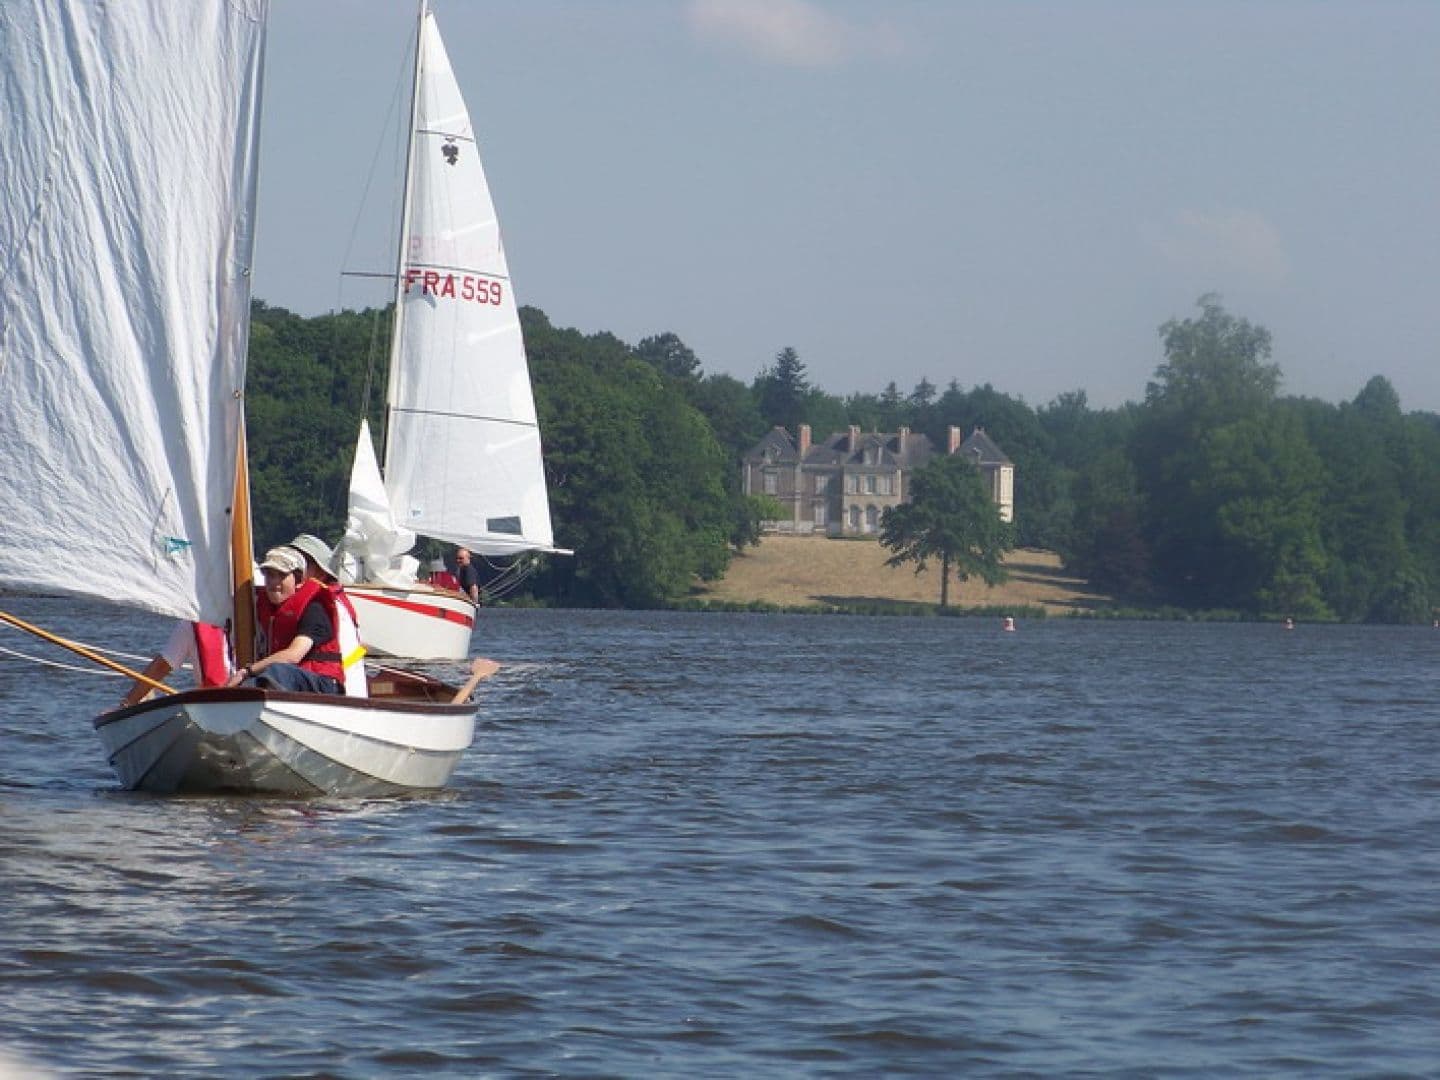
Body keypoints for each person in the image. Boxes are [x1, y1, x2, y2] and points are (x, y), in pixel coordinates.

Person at [227, 546, 344, 695]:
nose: (274, 582)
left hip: (322, 684)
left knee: (276, 670)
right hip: (285, 680)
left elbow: (293, 655)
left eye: (281, 575)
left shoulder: (314, 610)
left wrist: (247, 671)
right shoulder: (262, 606)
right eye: (269, 575)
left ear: (298, 580)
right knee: (261, 678)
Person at [287, 533, 368, 698]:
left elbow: (295, 655)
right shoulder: (333, 600)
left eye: (303, 564)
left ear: (321, 572)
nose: (294, 570)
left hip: (338, 692)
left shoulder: (322, 605)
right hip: (342, 690)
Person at [121, 620, 233, 707]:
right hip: (215, 705)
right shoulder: (190, 625)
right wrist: (127, 704)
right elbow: (161, 667)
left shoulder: (247, 619)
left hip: (244, 697)